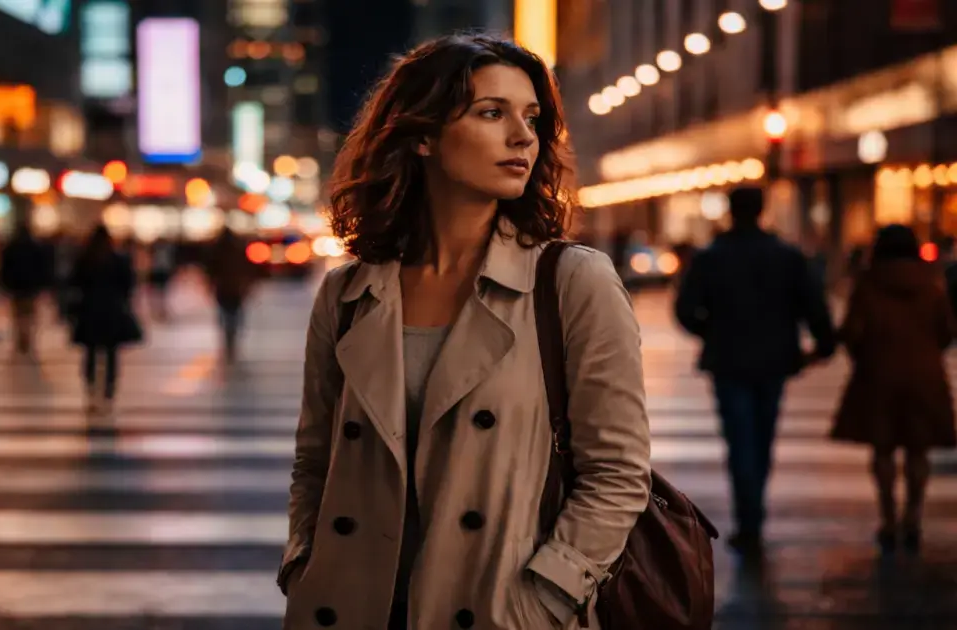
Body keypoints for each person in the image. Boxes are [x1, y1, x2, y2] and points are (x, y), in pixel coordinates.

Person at [280, 35, 651, 630]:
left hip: (499, 613)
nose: (523, 136)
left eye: (531, 117)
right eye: (490, 113)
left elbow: (616, 473)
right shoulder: (349, 292)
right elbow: (315, 461)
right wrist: (303, 564)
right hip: (352, 608)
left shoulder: (571, 282)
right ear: (422, 135)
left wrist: (546, 598)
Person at [675, 186, 837, 558]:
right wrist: (822, 346)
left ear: (731, 211)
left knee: (740, 440)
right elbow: (814, 306)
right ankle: (753, 512)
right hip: (774, 360)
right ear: (762, 210)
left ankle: (749, 519)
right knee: (763, 437)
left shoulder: (711, 258)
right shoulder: (787, 256)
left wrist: (711, 331)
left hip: (729, 360)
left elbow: (685, 310)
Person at [832, 224, 956, 554]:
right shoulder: (932, 284)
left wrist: (863, 357)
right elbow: (946, 331)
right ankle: (913, 516)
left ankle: (888, 518)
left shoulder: (868, 284)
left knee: (883, 448)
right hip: (925, 375)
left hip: (878, 373)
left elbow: (852, 332)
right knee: (919, 449)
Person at [70, 225, 142, 413]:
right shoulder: (118, 260)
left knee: (91, 354)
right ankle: (108, 394)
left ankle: (92, 392)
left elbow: (74, 284)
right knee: (111, 355)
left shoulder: (85, 259)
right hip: (112, 312)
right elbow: (129, 285)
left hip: (89, 311)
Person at [204, 227, 261, 364]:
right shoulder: (239, 250)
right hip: (235, 288)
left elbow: (210, 270)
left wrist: (210, 284)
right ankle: (232, 337)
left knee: (225, 313)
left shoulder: (217, 251)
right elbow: (250, 268)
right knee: (235, 314)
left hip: (223, 287)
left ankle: (228, 337)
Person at [0, 217, 51, 357]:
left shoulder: (11, 247)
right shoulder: (36, 246)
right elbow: (43, 268)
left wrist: (5, 283)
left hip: (16, 285)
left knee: (18, 315)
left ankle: (20, 339)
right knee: (29, 314)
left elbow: (5, 267)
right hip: (31, 286)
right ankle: (27, 339)